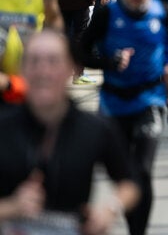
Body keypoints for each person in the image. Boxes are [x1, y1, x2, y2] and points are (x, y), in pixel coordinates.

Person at [79, 0, 168, 235]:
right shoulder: (107, 14)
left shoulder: (162, 13)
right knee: (123, 175)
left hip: (148, 100)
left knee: (144, 171)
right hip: (113, 102)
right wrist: (109, 61)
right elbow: (80, 51)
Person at [0, 30, 140, 233]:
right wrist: (11, 207)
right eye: (34, 61)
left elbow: (131, 183)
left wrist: (109, 210)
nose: (43, 71)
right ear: (22, 70)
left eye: (53, 61)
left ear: (71, 68)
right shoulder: (4, 128)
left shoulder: (94, 128)